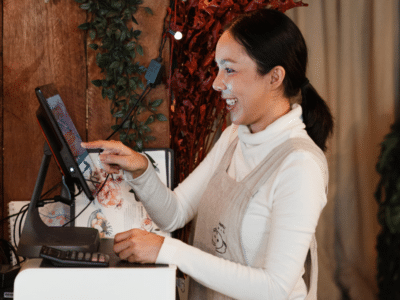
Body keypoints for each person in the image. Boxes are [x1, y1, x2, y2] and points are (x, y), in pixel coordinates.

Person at [82, 8, 333, 300]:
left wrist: (167, 250)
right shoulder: (233, 140)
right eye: (217, 68)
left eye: (229, 69)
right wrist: (141, 171)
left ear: (274, 77)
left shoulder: (300, 165)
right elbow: (174, 214)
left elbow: (275, 288)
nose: (216, 83)